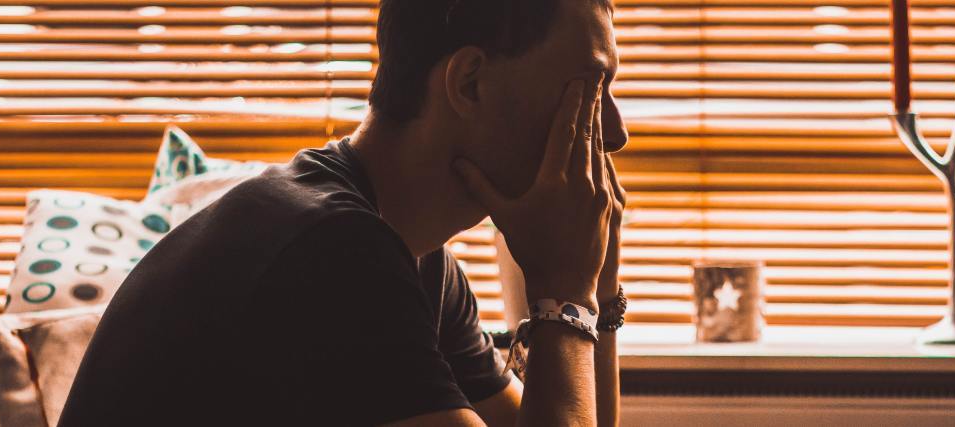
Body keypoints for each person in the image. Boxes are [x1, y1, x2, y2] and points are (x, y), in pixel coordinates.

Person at [56, 0, 628, 425]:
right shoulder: (329, 254)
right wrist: (564, 293)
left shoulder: (414, 258)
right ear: (470, 83)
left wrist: (592, 289)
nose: (616, 132)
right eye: (590, 87)